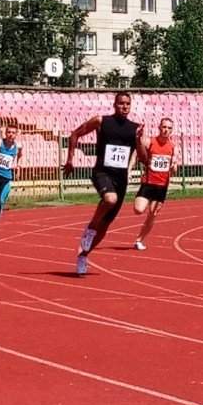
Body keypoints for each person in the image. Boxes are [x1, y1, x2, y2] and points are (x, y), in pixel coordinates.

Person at [64, 91, 141, 276]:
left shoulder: (135, 128)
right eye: (121, 103)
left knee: (105, 226)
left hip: (121, 179)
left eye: (127, 104)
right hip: (102, 172)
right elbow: (75, 134)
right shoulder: (101, 121)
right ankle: (90, 227)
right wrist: (70, 159)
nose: (124, 107)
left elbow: (144, 158)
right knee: (109, 199)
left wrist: (139, 140)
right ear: (114, 105)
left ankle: (83, 256)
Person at [131, 117, 177, 251]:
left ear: (171, 130)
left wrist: (174, 167)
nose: (166, 130)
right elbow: (136, 154)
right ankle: (145, 203)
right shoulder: (150, 142)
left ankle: (139, 240)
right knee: (138, 210)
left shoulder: (173, 147)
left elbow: (175, 164)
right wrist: (129, 170)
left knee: (153, 214)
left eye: (169, 128)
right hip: (148, 183)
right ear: (159, 127)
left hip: (161, 186)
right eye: (164, 127)